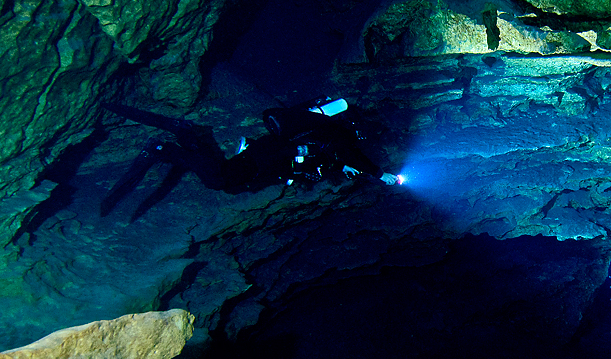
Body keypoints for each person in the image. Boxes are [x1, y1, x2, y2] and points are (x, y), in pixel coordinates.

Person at [101, 97, 400, 219]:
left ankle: (184, 138)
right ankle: (168, 146)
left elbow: (334, 159)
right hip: (265, 158)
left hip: (267, 162)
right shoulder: (339, 135)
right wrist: (380, 174)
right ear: (358, 130)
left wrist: (342, 166)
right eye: (363, 137)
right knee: (219, 179)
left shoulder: (334, 142)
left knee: (227, 180)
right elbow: (349, 153)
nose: (361, 141)